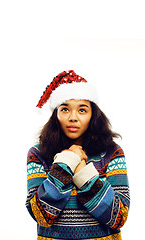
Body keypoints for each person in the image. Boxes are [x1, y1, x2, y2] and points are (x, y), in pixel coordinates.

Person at [26, 70, 130, 240]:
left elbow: (118, 217)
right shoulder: (38, 154)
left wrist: (84, 174)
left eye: (82, 110)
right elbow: (41, 215)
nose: (73, 117)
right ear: (56, 114)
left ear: (93, 115)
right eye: (65, 109)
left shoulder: (112, 152)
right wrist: (66, 163)